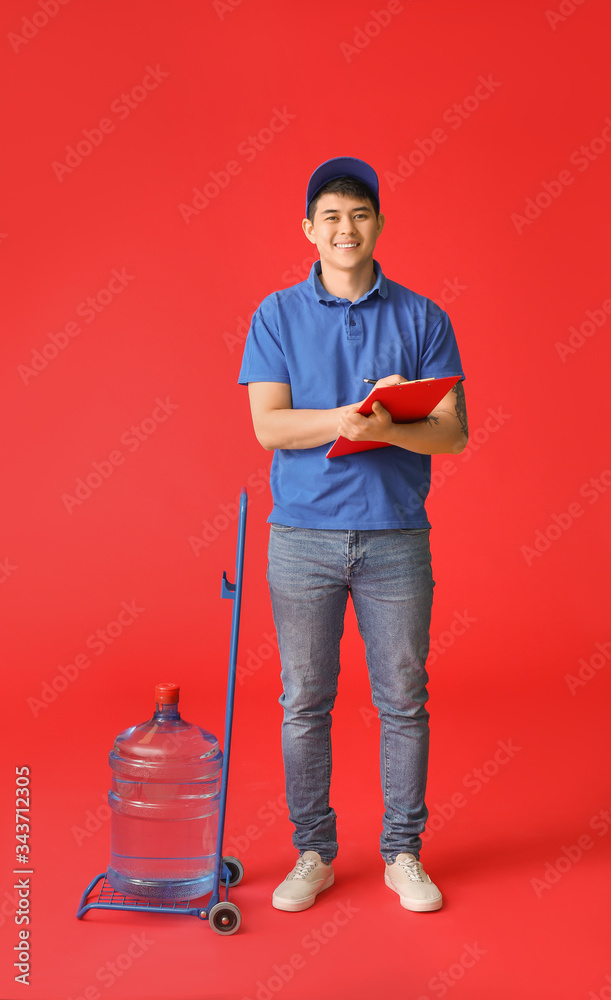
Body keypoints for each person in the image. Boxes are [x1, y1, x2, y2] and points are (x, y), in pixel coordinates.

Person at [238, 156, 468, 914]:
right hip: (300, 538)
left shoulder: (423, 317)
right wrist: (341, 421)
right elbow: (268, 426)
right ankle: (315, 851)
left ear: (378, 225)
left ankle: (403, 852)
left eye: (359, 214)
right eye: (331, 216)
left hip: (396, 537)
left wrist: (389, 427)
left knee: (402, 697)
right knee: (304, 698)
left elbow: (453, 435)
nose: (346, 227)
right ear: (309, 229)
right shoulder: (275, 314)